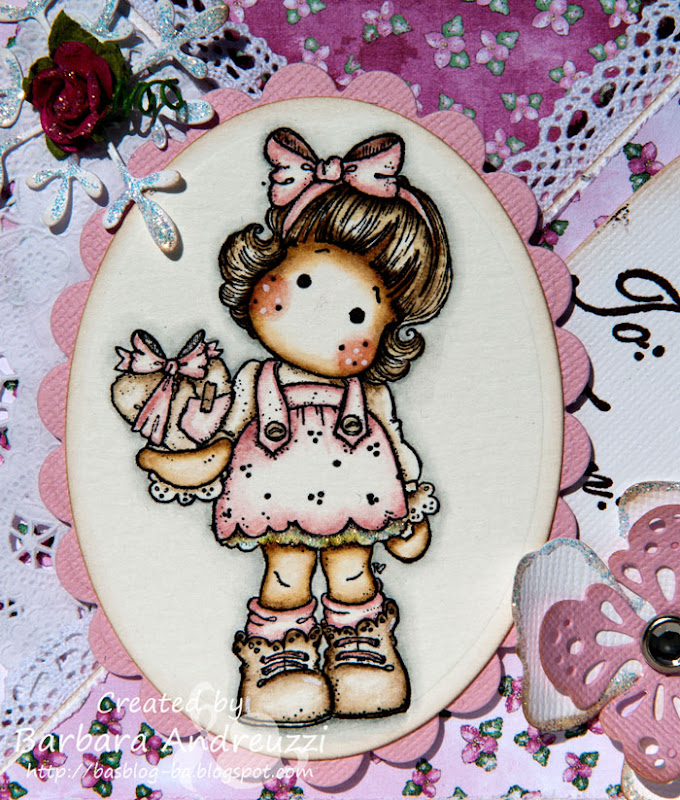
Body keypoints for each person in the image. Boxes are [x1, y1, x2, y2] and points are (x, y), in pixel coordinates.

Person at [215, 127, 453, 726]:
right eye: (301, 282)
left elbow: (396, 447)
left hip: (357, 498)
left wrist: (412, 511)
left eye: (355, 312)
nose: (320, 318)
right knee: (285, 573)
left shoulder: (367, 394)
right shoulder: (256, 382)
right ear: (269, 268)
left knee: (352, 570)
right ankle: (279, 663)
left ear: (385, 331)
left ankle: (362, 653)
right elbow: (225, 434)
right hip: (275, 498)